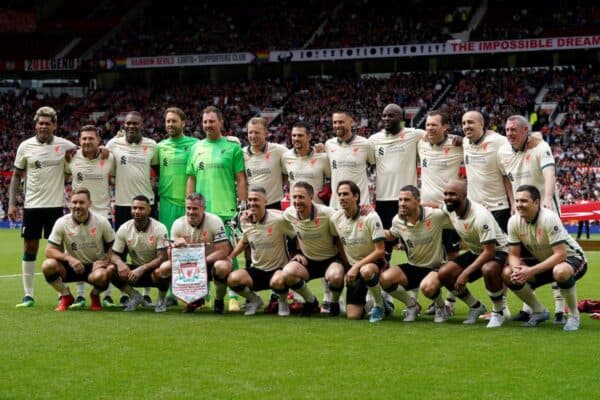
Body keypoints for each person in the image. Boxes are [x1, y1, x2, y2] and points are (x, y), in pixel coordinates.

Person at [497, 114, 565, 323]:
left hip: (545, 211)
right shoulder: (503, 152)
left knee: (555, 257)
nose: (509, 134)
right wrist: (511, 204)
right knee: (526, 259)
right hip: (521, 213)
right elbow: (506, 179)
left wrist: (546, 201)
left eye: (514, 130)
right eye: (507, 130)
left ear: (526, 131)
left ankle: (561, 308)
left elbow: (549, 174)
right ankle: (530, 308)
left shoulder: (540, 147)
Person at [8, 106, 77, 308]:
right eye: (41, 123)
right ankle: (28, 295)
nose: (44, 126)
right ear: (36, 125)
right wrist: (12, 204)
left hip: (56, 206)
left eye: (48, 123)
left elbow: (87, 151)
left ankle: (61, 293)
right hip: (32, 206)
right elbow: (16, 177)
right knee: (30, 247)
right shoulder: (25, 146)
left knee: (57, 250)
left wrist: (102, 149)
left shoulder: (65, 145)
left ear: (54, 125)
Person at [186, 106, 247, 312]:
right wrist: (190, 205)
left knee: (231, 253)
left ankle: (233, 296)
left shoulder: (232, 148)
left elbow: (240, 178)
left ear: (221, 122)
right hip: (203, 212)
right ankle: (203, 294)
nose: (208, 125)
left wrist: (242, 206)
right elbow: (191, 178)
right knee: (201, 252)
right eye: (205, 122)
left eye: (212, 121)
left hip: (226, 210)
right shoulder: (196, 148)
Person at [503, 185, 587, 331]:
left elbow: (561, 254)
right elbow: (513, 254)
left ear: (536, 202)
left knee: (560, 272)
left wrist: (530, 271)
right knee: (508, 273)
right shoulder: (513, 221)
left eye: (523, 201)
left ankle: (574, 315)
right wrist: (518, 270)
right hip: (545, 261)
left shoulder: (549, 218)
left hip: (572, 259)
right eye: (516, 201)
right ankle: (539, 311)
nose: (519, 205)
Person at [437, 179, 510, 328]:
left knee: (488, 269)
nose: (447, 197)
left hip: (499, 251)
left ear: (464, 195)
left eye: (452, 194)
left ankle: (498, 312)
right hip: (477, 251)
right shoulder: (450, 208)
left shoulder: (480, 215)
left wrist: (466, 273)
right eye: (445, 194)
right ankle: (475, 306)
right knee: (444, 273)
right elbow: (436, 207)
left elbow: (489, 251)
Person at [214, 187, 295, 316]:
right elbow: (245, 241)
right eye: (250, 200)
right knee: (232, 279)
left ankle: (283, 302)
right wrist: (231, 256)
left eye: (256, 200)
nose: (252, 203)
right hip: (257, 269)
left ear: (265, 202)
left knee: (279, 280)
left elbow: (295, 235)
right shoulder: (246, 221)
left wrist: (298, 255)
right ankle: (255, 300)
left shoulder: (278, 220)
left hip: (278, 270)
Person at [107, 111, 158, 306]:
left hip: (147, 203)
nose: (131, 126)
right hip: (122, 203)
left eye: (135, 123)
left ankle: (145, 292)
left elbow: (157, 170)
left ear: (142, 125)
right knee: (121, 249)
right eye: (128, 123)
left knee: (148, 247)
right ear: (124, 125)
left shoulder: (152, 145)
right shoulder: (113, 144)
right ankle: (124, 291)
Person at [380, 185, 452, 323]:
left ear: (418, 201)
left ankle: (441, 307)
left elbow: (455, 215)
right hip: (413, 267)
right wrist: (374, 228)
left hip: (437, 268)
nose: (402, 203)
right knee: (385, 279)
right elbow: (392, 234)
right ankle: (412, 306)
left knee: (428, 287)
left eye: (406, 200)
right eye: (400, 200)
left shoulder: (435, 215)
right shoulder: (397, 220)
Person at [66, 124, 117, 308]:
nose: (87, 141)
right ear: (79, 141)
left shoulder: (109, 157)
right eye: (84, 139)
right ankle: (79, 295)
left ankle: (107, 295)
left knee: (106, 255)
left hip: (103, 213)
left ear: (98, 141)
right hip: (78, 213)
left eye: (91, 138)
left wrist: (107, 149)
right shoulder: (71, 158)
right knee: (78, 252)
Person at [418, 110, 464, 314]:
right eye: (427, 125)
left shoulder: (457, 146)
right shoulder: (420, 144)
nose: (429, 128)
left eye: (434, 125)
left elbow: (477, 143)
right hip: (428, 212)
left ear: (445, 127)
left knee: (453, 257)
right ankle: (434, 301)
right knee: (428, 257)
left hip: (449, 211)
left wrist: (461, 139)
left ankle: (450, 302)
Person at [41, 188, 115, 311]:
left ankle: (95, 295)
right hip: (72, 267)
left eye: (81, 202)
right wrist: (69, 259)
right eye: (74, 202)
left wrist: (106, 261)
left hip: (94, 268)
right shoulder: (62, 222)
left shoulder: (101, 221)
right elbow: (49, 250)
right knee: (47, 265)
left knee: (103, 275)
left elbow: (115, 246)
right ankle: (66, 296)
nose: (77, 206)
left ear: (89, 204)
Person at [157, 193, 232, 313]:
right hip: (188, 264)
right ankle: (164, 300)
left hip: (210, 262)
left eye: (195, 208)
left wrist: (200, 262)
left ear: (204, 209)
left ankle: (219, 300)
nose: (191, 212)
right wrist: (175, 247)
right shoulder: (178, 224)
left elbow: (223, 251)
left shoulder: (215, 221)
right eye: (188, 208)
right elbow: (171, 257)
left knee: (222, 267)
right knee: (164, 267)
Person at [368, 104, 425, 262]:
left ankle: (416, 277)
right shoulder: (374, 140)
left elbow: (437, 136)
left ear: (401, 118)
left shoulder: (414, 135)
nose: (386, 118)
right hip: (383, 199)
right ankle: (382, 277)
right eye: (384, 115)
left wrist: (457, 139)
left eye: (391, 115)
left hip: (408, 199)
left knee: (411, 241)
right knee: (384, 244)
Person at [279, 181, 345, 316]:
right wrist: (295, 254)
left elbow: (345, 220)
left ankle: (334, 302)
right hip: (308, 261)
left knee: (336, 277)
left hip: (330, 259)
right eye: (295, 197)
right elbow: (286, 230)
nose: (297, 201)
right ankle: (310, 301)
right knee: (287, 273)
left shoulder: (327, 213)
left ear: (311, 197)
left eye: (301, 197)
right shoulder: (289, 213)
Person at [329, 180, 386, 322]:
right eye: (340, 194)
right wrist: (347, 263)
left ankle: (380, 306)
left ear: (356, 196)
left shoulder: (371, 217)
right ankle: (374, 303)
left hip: (373, 263)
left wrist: (355, 266)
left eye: (346, 194)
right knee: (353, 316)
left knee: (366, 271)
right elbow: (337, 241)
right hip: (353, 267)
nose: (342, 197)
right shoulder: (336, 218)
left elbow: (380, 251)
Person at [110, 195, 170, 312]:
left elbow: (163, 257)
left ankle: (161, 300)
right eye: (134, 208)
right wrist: (120, 264)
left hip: (154, 272)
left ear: (149, 210)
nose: (137, 211)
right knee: (111, 269)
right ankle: (135, 296)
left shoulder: (159, 228)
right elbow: (113, 254)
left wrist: (143, 268)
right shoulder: (124, 228)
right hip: (134, 273)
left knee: (162, 270)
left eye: (141, 208)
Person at [461, 111, 512, 231]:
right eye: (463, 123)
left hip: (498, 208)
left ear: (481, 124)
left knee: (501, 248)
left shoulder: (497, 141)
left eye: (470, 122)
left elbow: (518, 141)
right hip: (475, 209)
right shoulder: (464, 142)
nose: (466, 126)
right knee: (480, 248)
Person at [157, 107, 199, 233]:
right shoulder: (159, 147)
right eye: (168, 121)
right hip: (167, 202)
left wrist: (230, 139)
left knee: (190, 243)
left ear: (183, 123)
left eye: (174, 121)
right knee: (168, 242)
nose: (170, 124)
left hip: (190, 202)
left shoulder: (196, 144)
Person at [325, 111, 373, 209]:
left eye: (341, 122)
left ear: (351, 122)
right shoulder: (329, 144)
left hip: (360, 205)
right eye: (335, 122)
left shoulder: (365, 144)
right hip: (336, 205)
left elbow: (373, 163)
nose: (337, 125)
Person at [243, 117, 288, 209]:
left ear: (266, 134)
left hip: (274, 204)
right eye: (250, 132)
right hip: (251, 205)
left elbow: (295, 159)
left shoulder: (279, 150)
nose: (253, 136)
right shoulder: (242, 154)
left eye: (257, 132)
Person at [282, 121, 330, 205]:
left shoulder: (323, 157)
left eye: (300, 135)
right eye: (294, 135)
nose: (296, 138)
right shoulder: (286, 157)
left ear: (309, 137)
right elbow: (285, 176)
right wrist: (286, 190)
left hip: (317, 209)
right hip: (295, 210)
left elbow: (332, 178)